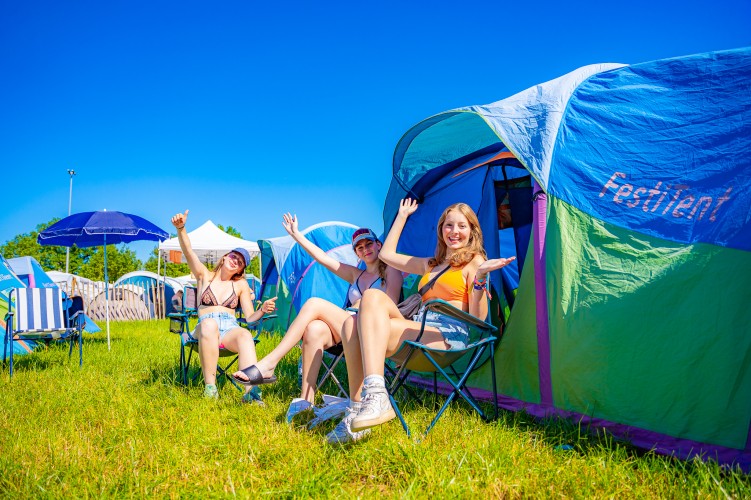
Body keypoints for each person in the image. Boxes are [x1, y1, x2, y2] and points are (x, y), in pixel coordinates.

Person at [331, 199, 516, 442]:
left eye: (462, 226)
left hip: (447, 336)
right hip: (419, 326)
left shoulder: (474, 263)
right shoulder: (431, 264)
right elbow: (386, 255)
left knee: (364, 309)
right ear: (441, 230)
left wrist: (480, 278)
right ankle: (362, 405)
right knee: (356, 316)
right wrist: (403, 215)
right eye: (449, 225)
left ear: (472, 231)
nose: (455, 232)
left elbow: (478, 319)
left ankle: (374, 398)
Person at [232, 214, 403, 438]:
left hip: (373, 330)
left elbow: (386, 306)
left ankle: (270, 363)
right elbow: (322, 258)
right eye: (359, 247)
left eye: (369, 243)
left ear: (379, 244)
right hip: (347, 330)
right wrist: (296, 236)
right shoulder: (355, 274)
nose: (365, 249)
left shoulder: (391, 271)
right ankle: (306, 400)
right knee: (313, 329)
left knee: (313, 303)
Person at [170, 210, 277, 403]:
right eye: (235, 256)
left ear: (241, 269)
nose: (236, 261)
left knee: (245, 335)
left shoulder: (240, 285)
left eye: (241, 262)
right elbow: (188, 252)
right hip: (204, 329)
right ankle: (210, 388)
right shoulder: (204, 275)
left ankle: (250, 393)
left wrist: (262, 310)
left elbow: (250, 318)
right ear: (226, 257)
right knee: (210, 324)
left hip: (229, 329)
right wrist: (181, 228)